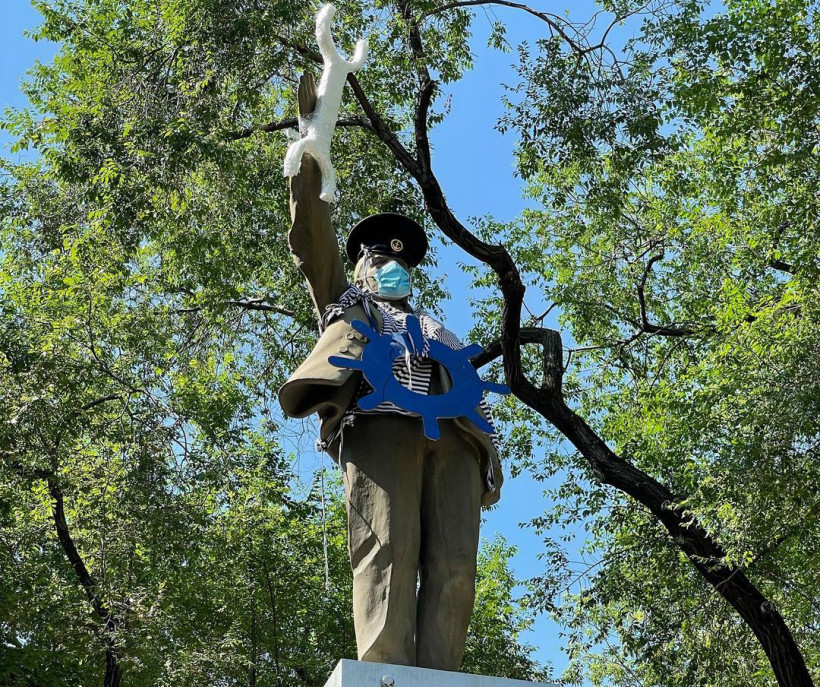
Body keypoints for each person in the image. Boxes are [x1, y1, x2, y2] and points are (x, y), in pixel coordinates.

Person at [278, 72, 503, 672]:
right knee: (388, 552)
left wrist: (487, 452)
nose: (392, 268)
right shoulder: (346, 304)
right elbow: (311, 238)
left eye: (400, 261)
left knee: (456, 564)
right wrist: (311, 148)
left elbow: (471, 390)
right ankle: (385, 674)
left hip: (454, 439)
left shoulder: (437, 327)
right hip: (380, 429)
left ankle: (441, 678)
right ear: (361, 267)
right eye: (379, 258)